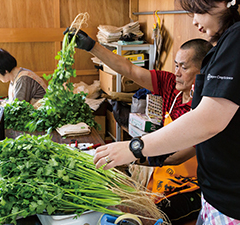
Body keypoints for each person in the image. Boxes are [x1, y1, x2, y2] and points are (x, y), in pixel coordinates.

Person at [88, 0, 240, 224]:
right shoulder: (225, 43)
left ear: (223, 2)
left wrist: (137, 148)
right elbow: (130, 70)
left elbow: (209, 120)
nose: (195, 21)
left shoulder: (236, 40)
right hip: (217, 191)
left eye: (198, 11)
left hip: (229, 196)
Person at [66, 21, 212, 222]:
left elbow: (175, 157)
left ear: (203, 71)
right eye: (176, 65)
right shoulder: (171, 85)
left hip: (190, 184)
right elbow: (129, 69)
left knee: (151, 216)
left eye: (184, 67)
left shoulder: (207, 108)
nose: (176, 72)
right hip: (159, 174)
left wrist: (129, 153)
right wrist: (93, 47)